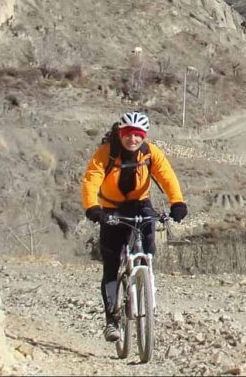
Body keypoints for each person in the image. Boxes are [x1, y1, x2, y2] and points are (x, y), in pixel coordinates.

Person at [81, 110, 188, 342]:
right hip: (111, 208)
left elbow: (167, 176)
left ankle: (145, 285)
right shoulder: (106, 153)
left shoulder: (150, 153)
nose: (133, 139)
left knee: (148, 248)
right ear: (121, 134)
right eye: (128, 134)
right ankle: (111, 319)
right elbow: (92, 178)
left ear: (144, 136)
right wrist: (93, 208)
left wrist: (177, 202)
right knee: (110, 263)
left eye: (138, 135)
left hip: (140, 205)